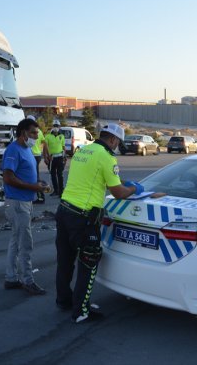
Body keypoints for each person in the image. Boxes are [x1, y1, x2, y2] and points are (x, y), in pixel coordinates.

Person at [55, 123, 142, 323]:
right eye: (118, 142)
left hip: (64, 210)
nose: (117, 145)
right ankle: (81, 311)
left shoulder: (83, 150)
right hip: (83, 217)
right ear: (113, 139)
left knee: (65, 260)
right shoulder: (107, 157)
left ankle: (63, 300)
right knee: (88, 262)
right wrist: (134, 189)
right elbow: (118, 192)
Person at [2, 118, 48, 296]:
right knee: (25, 243)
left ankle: (11, 278)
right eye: (33, 133)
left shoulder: (27, 149)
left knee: (15, 241)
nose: (36, 136)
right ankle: (28, 280)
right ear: (23, 134)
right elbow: (8, 177)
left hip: (25, 201)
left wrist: (38, 183)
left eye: (37, 133)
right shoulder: (14, 150)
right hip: (18, 203)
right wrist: (33, 187)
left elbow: (25, 175)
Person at [26, 115, 50, 204]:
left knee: (34, 177)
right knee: (33, 176)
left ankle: (41, 196)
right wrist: (45, 156)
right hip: (37, 156)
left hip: (32, 156)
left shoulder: (29, 131)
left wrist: (46, 156)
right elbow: (45, 143)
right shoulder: (39, 131)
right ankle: (38, 194)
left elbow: (45, 144)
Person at [46, 120, 66, 196]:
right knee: (53, 175)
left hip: (60, 157)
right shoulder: (48, 136)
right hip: (52, 158)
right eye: (54, 126)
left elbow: (63, 147)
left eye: (57, 126)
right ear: (52, 126)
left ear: (59, 127)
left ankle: (61, 191)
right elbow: (45, 147)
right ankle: (56, 190)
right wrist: (47, 157)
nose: (56, 128)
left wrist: (65, 157)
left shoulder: (62, 136)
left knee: (60, 174)